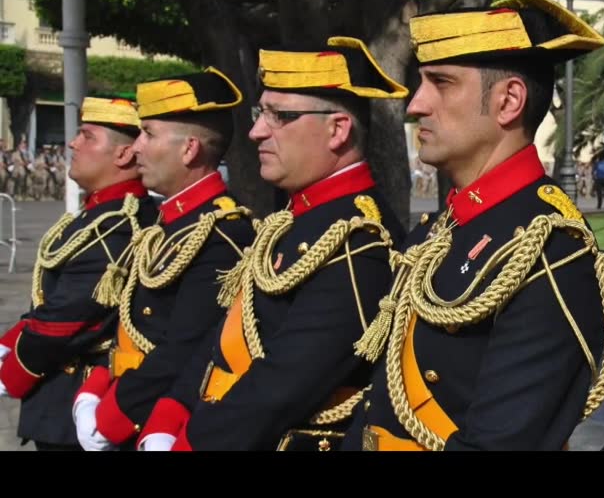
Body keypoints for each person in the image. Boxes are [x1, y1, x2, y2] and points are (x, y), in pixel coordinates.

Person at [343, 0, 604, 451]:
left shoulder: (548, 250)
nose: (416, 104)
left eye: (441, 82)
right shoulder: (435, 232)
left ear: (508, 101)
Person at [137, 38, 409, 451]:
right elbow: (227, 336)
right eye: (260, 113)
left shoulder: (359, 237)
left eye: (279, 116)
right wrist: (173, 409)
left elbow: (284, 384)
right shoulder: (294, 218)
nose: (256, 131)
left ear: (337, 130)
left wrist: (192, 442)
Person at [71, 68, 257, 450]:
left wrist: (112, 417)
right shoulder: (167, 221)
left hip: (154, 420)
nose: (136, 147)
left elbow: (185, 348)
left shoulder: (222, 233)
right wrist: (96, 388)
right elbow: (129, 327)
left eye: (148, 134)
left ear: (189, 149)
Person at [0, 98, 158, 450]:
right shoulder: (100, 214)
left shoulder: (118, 225)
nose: (73, 143)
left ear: (123, 154)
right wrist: (10, 341)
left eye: (87, 136)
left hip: (79, 404)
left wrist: (14, 371)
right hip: (62, 401)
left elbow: (68, 318)